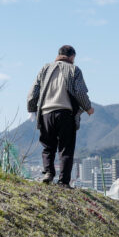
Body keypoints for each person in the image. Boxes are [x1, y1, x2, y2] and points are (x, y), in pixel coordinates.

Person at [26, 45, 94, 187]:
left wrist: (32, 108)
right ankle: (63, 182)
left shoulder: (45, 68)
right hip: (65, 113)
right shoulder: (74, 70)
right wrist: (88, 108)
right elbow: (80, 92)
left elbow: (34, 91)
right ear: (71, 56)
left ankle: (48, 173)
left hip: (46, 113)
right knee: (66, 148)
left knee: (48, 146)